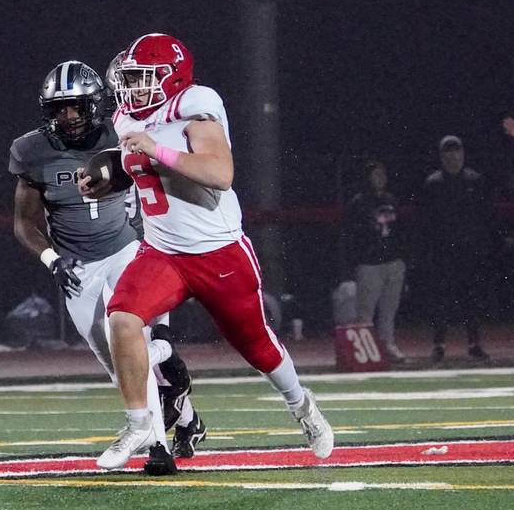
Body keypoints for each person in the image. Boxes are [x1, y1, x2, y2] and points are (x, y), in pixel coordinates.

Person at [81, 33, 333, 470]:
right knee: (121, 320)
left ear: (171, 77)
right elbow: (136, 164)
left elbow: (220, 173)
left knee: (258, 348)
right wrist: (107, 175)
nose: (133, 88)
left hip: (217, 252)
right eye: (131, 78)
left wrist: (155, 149)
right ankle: (139, 422)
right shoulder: (125, 117)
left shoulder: (194, 107)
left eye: (143, 78)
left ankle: (302, 406)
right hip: (162, 252)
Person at [8, 61, 205, 474]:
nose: (68, 116)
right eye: (59, 108)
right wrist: (52, 259)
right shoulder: (31, 150)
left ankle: (157, 448)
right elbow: (25, 222)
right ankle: (185, 413)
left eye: (76, 106)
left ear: (95, 104)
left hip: (129, 251)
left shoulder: (126, 131)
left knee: (132, 346)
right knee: (119, 366)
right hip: (77, 265)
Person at [419, 135, 494, 364]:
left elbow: (485, 215)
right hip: (442, 251)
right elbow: (426, 219)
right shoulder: (433, 184)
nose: (453, 156)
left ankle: (474, 343)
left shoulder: (474, 180)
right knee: (441, 300)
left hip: (468, 250)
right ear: (442, 156)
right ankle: (439, 344)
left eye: (457, 151)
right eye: (448, 152)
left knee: (471, 298)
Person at [339, 160, 407, 363]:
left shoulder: (391, 200)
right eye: (376, 175)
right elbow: (351, 235)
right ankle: (365, 353)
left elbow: (400, 231)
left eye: (382, 174)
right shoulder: (358, 203)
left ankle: (388, 344)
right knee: (365, 312)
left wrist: (402, 257)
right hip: (369, 264)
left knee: (389, 309)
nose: (380, 179)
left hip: (392, 262)